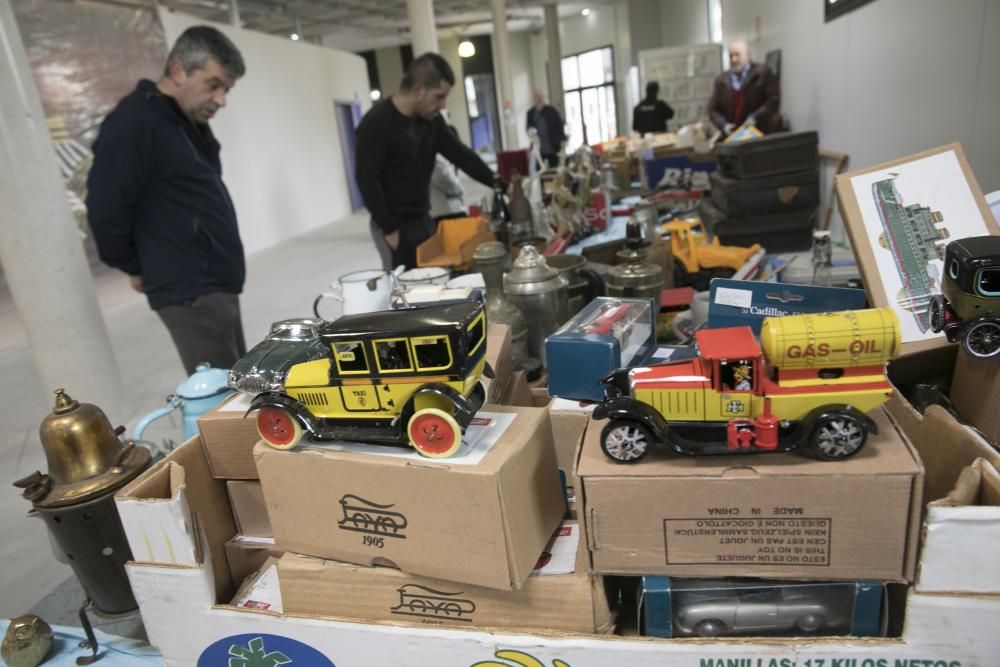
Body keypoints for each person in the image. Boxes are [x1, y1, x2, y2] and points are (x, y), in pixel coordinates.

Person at [86, 26, 247, 375]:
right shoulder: (134, 123)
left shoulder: (183, 122)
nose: (221, 100)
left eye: (226, 90)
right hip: (189, 289)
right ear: (178, 71)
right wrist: (135, 265)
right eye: (214, 85)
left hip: (213, 281)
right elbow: (105, 207)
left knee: (239, 390)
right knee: (222, 402)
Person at [356, 53, 497, 271]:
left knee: (434, 277)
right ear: (419, 90)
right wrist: (389, 228)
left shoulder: (430, 122)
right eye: (439, 96)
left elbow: (461, 154)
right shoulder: (376, 123)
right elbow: (366, 179)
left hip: (423, 218)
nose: (443, 105)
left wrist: (499, 183)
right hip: (394, 225)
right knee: (405, 290)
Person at [707, 38, 780, 136]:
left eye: (737, 55)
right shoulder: (721, 80)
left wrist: (755, 117)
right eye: (730, 56)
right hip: (732, 137)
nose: (733, 59)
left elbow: (773, 100)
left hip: (759, 134)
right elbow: (712, 109)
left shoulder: (763, 73)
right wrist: (723, 125)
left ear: (748, 54)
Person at [428, 122, 467, 222]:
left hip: (442, 212)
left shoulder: (436, 157)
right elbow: (447, 182)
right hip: (446, 213)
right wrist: (460, 189)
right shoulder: (435, 158)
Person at [525, 88, 567, 168]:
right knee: (541, 172)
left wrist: (562, 140)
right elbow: (528, 128)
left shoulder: (552, 111)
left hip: (552, 148)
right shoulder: (530, 113)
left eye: (540, 96)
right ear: (533, 98)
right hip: (539, 150)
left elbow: (560, 126)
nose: (539, 98)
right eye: (537, 96)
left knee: (554, 170)